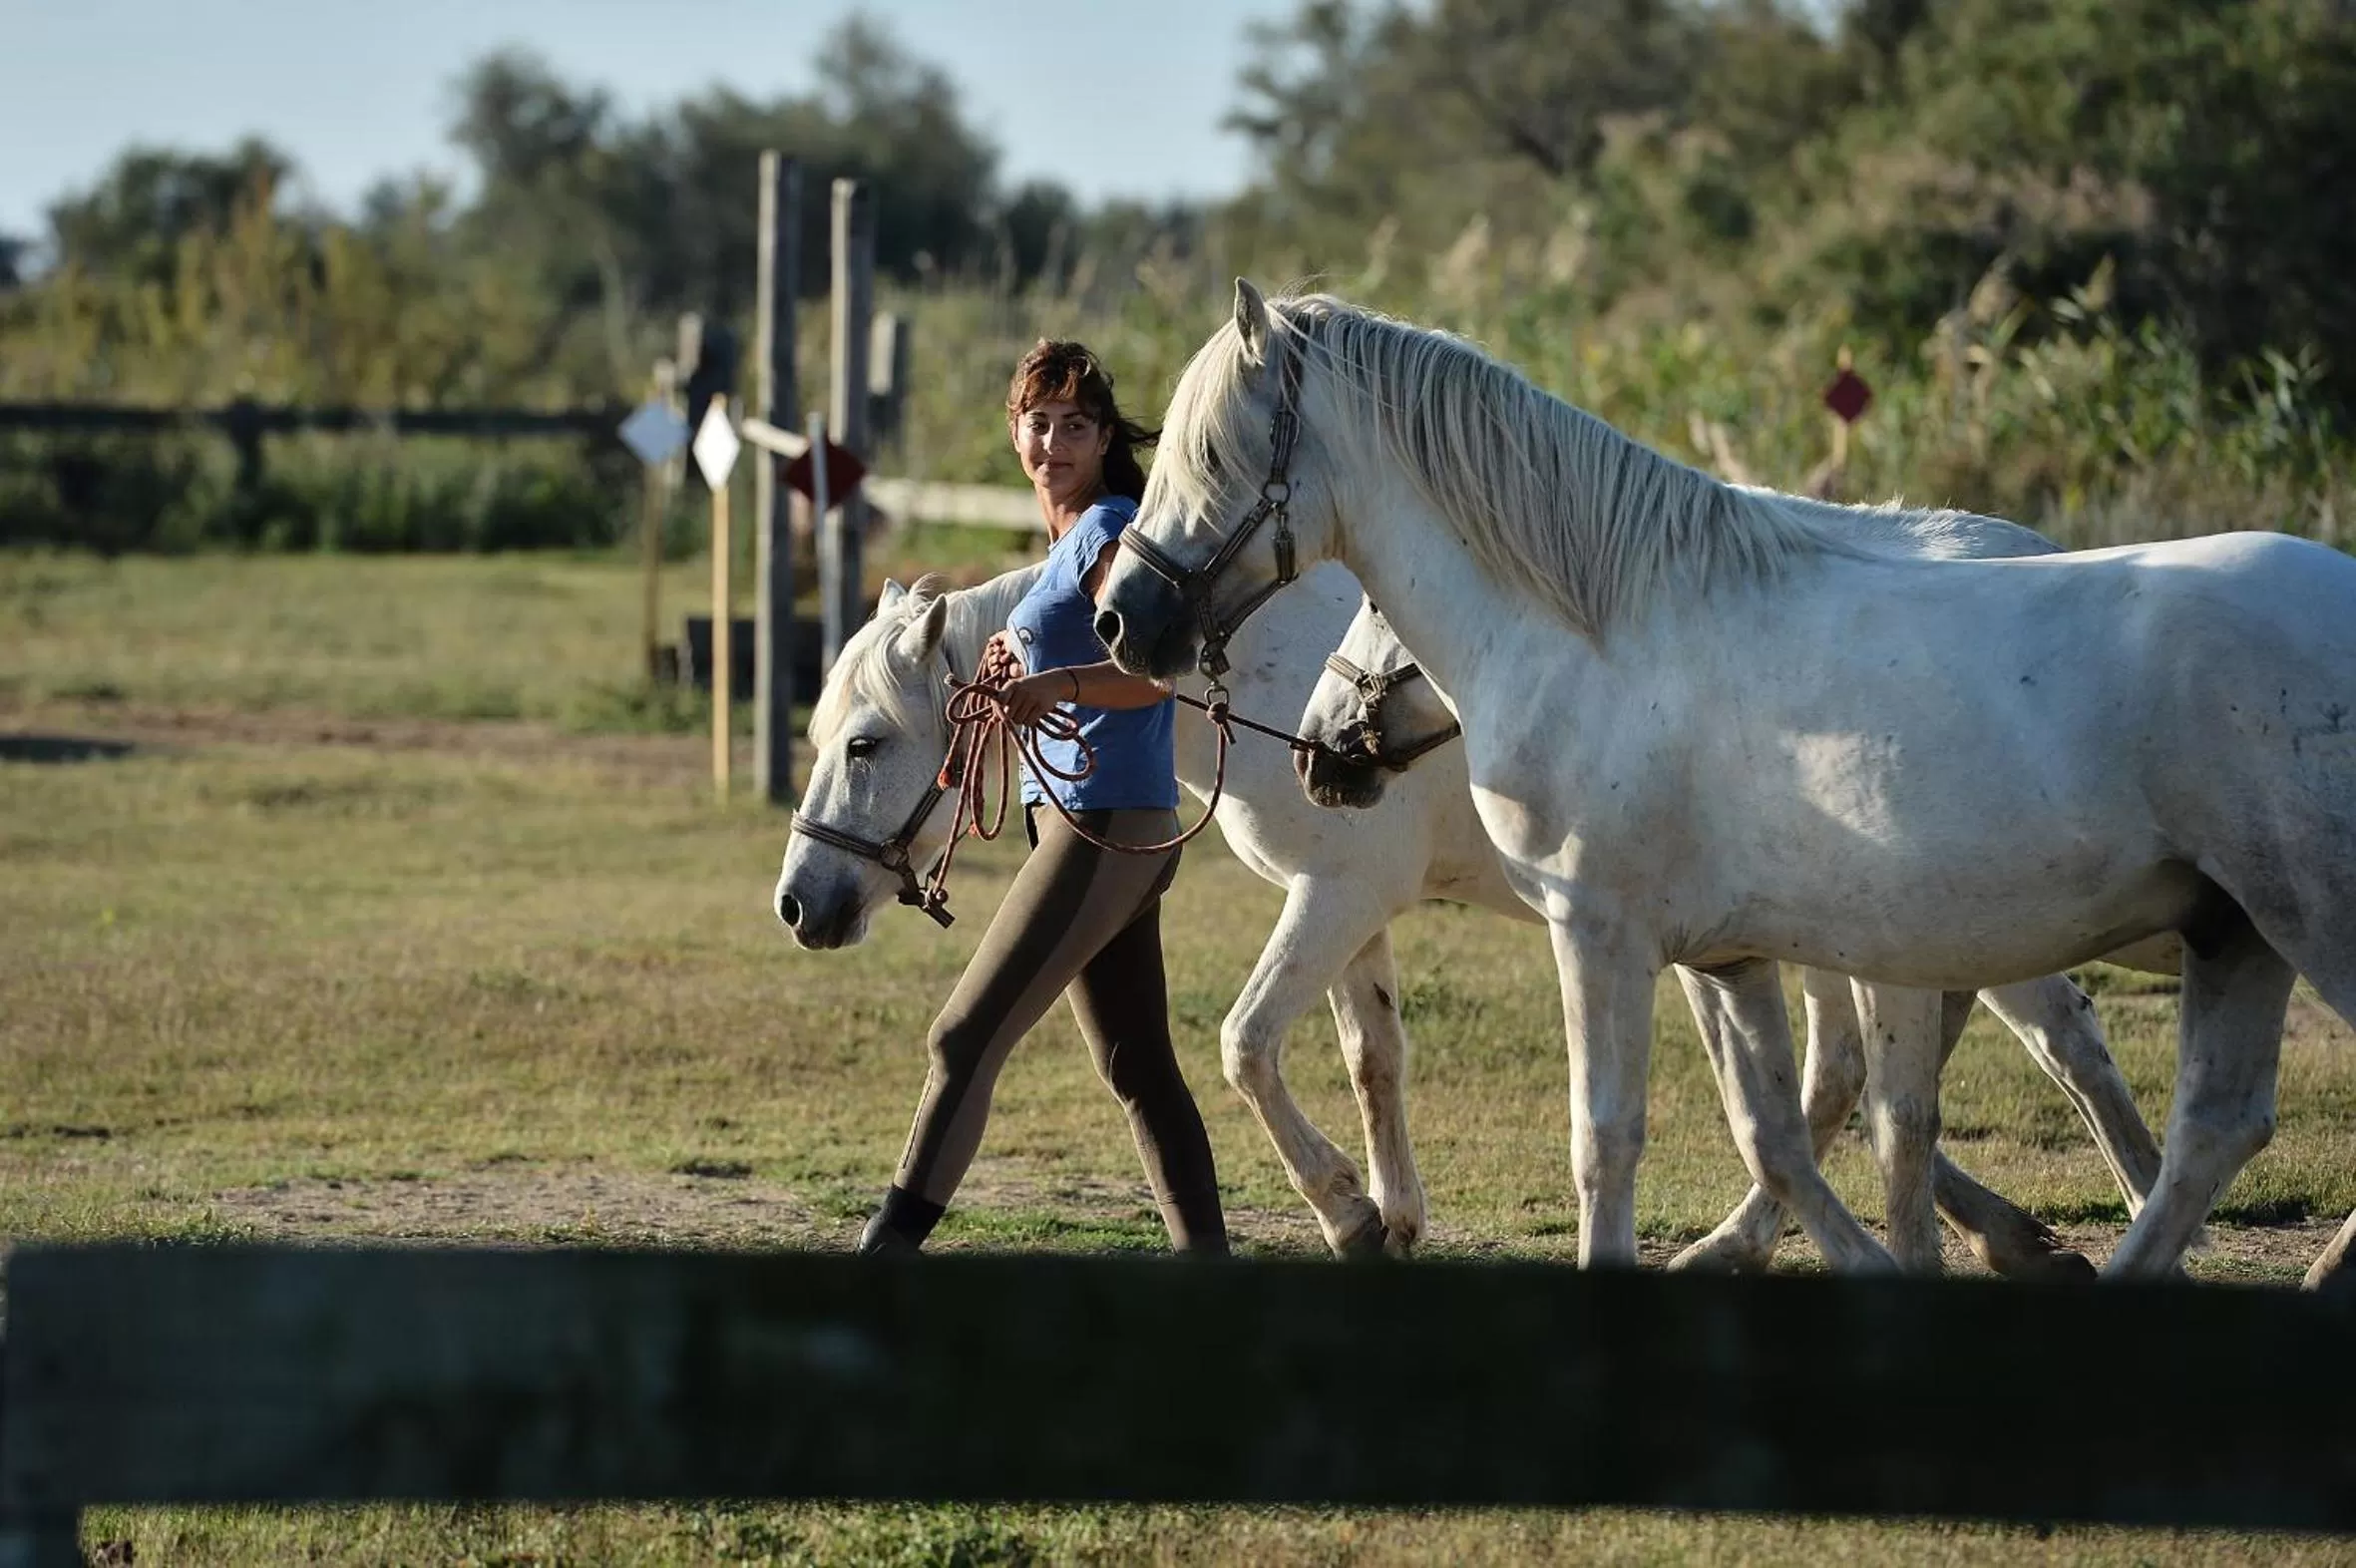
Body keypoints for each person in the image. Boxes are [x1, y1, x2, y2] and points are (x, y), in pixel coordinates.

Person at [858, 340, 1229, 1258]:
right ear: (1015, 434)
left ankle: (882, 1257)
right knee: (1138, 1067)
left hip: (1105, 822)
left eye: (1076, 424)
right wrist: (1015, 670)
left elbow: (1155, 670)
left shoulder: (1107, 531)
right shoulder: (1068, 540)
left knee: (960, 1039)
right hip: (1084, 819)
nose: (1054, 441)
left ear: (1105, 438)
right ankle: (1216, 1282)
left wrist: (1056, 683)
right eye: (1040, 422)